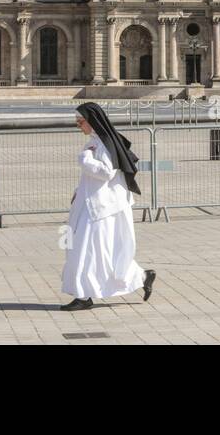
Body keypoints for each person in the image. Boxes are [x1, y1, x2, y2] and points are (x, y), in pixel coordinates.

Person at [60, 103, 156, 311]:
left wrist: (84, 160)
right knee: (88, 250)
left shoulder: (104, 144)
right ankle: (139, 277)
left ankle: (84, 296)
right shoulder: (95, 141)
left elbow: (106, 173)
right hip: (90, 203)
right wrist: (79, 189)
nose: (78, 126)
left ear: (91, 121)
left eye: (80, 121)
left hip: (102, 208)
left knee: (89, 251)